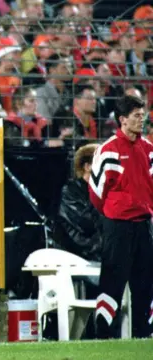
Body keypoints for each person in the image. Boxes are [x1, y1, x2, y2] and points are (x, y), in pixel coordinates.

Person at [89, 95, 153, 339]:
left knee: (145, 283)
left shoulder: (148, 150)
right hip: (117, 227)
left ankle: (142, 334)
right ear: (122, 120)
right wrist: (117, 212)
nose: (142, 119)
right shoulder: (107, 151)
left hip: (144, 225)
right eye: (136, 115)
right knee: (113, 282)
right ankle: (103, 334)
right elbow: (96, 194)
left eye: (142, 114)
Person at [52, 143, 102, 262]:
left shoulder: (104, 192)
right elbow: (86, 224)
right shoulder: (70, 192)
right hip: (78, 257)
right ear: (88, 166)